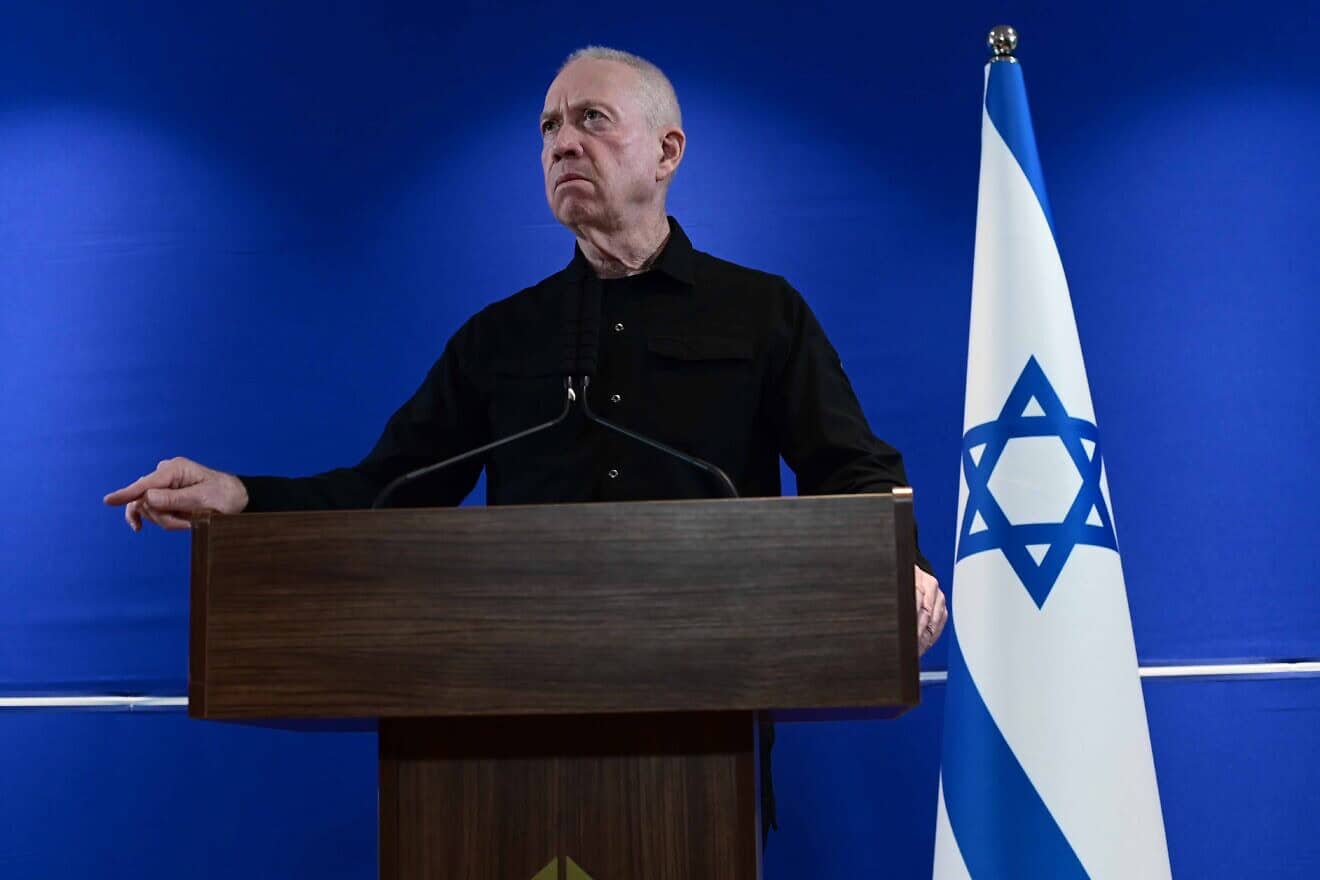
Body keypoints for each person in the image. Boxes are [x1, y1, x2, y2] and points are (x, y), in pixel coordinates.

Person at [104, 45, 948, 842]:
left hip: (703, 721)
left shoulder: (763, 313)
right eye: (548, 128)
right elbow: (390, 489)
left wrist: (896, 573)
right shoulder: (502, 338)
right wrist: (245, 498)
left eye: (590, 120)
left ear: (666, 151)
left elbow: (853, 464)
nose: (562, 143)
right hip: (502, 739)